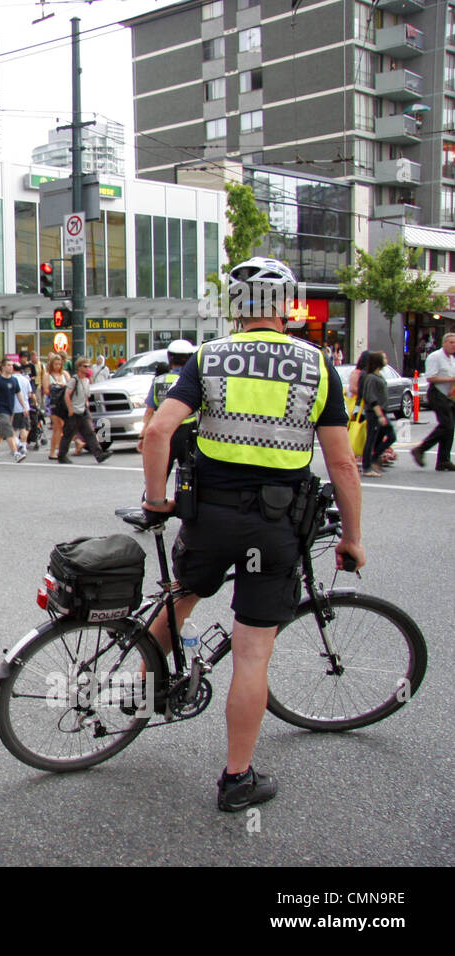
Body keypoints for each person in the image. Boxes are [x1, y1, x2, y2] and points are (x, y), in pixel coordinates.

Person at [141, 257, 362, 812]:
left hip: (207, 516)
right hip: (277, 523)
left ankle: (144, 690)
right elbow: (342, 465)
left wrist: (157, 501)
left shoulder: (209, 357)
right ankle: (236, 779)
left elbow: (157, 431)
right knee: (252, 652)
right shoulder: (317, 365)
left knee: (182, 598)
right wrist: (352, 537)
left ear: (236, 307)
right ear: (289, 304)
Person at [137, 339, 197, 474]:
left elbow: (149, 411)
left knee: (160, 474)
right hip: (189, 433)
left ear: (170, 357)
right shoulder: (194, 380)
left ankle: (155, 495)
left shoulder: (159, 381)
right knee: (191, 475)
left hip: (164, 432)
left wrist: (142, 436)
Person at [413, 331, 455, 471]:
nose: (453, 345)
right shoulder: (435, 357)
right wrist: (451, 380)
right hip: (436, 392)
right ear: (444, 343)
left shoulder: (451, 359)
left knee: (450, 428)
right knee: (446, 425)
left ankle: (443, 460)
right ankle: (421, 448)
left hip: (448, 395)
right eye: (451, 342)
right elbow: (430, 377)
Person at [56, 358, 109, 463]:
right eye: (85, 366)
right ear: (79, 367)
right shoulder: (74, 380)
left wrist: (87, 409)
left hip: (83, 412)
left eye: (88, 366)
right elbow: (67, 395)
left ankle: (99, 455)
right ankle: (61, 456)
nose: (87, 368)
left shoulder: (87, 381)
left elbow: (86, 397)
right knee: (68, 435)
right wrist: (70, 410)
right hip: (74, 412)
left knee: (90, 433)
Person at [358, 351, 390, 478]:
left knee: (384, 437)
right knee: (370, 439)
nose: (386, 359)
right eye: (384, 358)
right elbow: (371, 397)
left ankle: (373, 461)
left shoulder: (378, 375)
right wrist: (380, 415)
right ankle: (367, 467)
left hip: (381, 412)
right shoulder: (371, 377)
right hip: (374, 413)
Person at [0, 361, 25, 463]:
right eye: (8, 365)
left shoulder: (14, 380)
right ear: (3, 367)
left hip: (10, 410)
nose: (11, 367)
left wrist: (24, 407)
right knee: (8, 429)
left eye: (12, 365)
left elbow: (19, 394)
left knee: (1, 432)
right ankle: (16, 453)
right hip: (0, 410)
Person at [43, 354, 70, 460]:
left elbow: (70, 386)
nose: (58, 366)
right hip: (53, 402)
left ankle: (60, 449)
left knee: (64, 427)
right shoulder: (47, 375)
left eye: (59, 364)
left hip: (64, 403)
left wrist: (63, 387)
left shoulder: (65, 374)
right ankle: (53, 451)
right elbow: (45, 390)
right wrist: (56, 387)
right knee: (57, 427)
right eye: (55, 364)